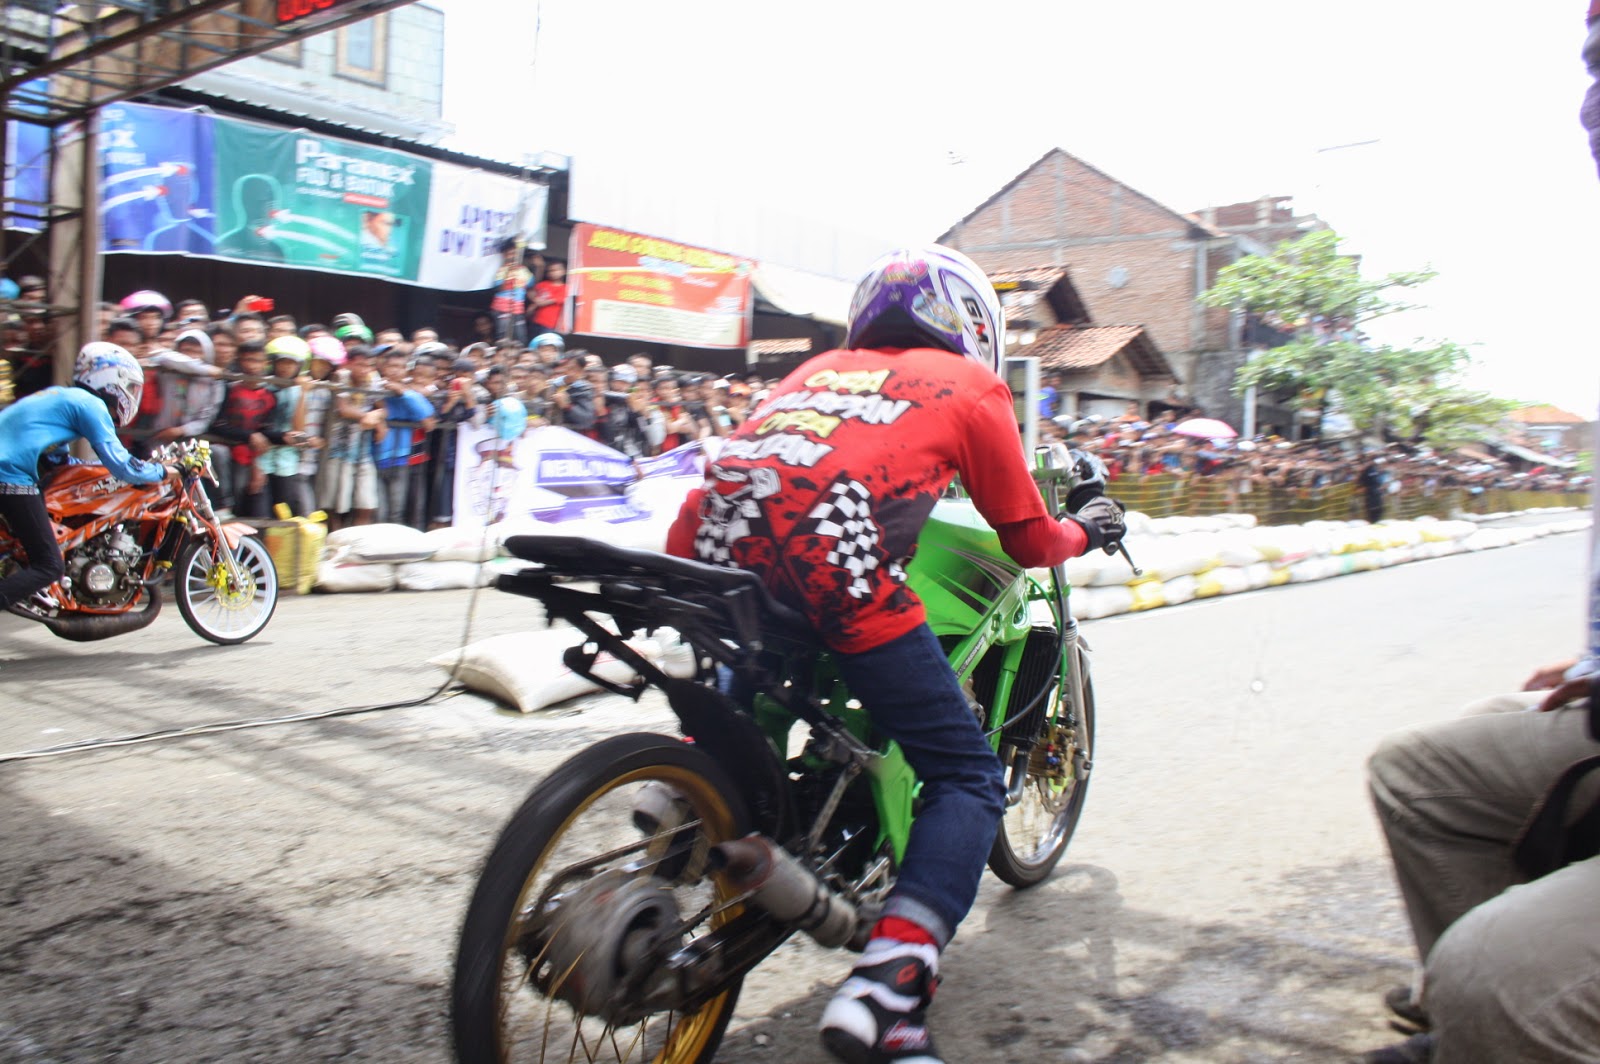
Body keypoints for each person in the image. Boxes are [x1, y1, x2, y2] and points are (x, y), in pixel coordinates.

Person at [665, 245, 1127, 1064]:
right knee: (968, 778)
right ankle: (889, 990)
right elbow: (1028, 542)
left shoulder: (815, 371)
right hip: (832, 573)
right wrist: (1091, 528)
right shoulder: (974, 388)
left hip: (706, 559)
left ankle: (691, 799)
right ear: (969, 322)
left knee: (765, 653)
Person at [0, 343, 171, 611]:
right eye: (131, 387)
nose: (131, 396)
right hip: (9, 477)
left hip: (9, 472)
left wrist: (95, 469)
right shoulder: (90, 405)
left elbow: (60, 461)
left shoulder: (63, 396)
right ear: (113, 380)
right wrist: (162, 471)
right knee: (48, 566)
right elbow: (122, 465)